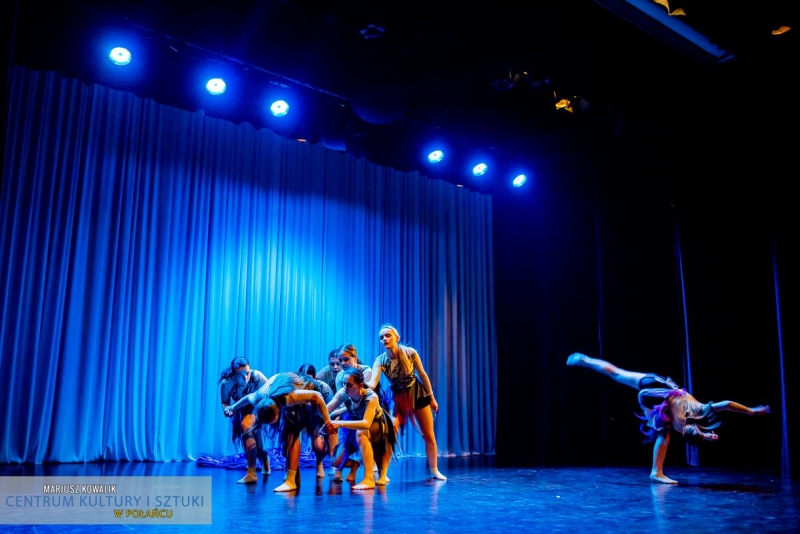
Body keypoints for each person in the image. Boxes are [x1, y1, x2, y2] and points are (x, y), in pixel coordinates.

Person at [566, 352, 771, 484]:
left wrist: (752, 411)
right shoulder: (682, 426)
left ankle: (586, 360)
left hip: (657, 383)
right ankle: (656, 472)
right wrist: (750, 412)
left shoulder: (698, 411)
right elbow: (699, 429)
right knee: (663, 434)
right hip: (651, 395)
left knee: (618, 373)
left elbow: (726, 405)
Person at [225, 372, 333, 492]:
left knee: (294, 435)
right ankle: (293, 476)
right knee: (286, 440)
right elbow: (248, 398)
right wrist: (233, 407)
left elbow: (317, 396)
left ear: (277, 410)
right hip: (295, 390)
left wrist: (327, 421)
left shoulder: (289, 398)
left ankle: (291, 481)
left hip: (317, 394)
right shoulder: (260, 396)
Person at [365, 323, 447, 481]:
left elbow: (422, 375)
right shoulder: (380, 361)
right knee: (391, 433)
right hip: (398, 397)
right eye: (381, 337)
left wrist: (432, 398)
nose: (384, 339)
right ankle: (383, 473)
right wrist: (360, 383)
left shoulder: (410, 353)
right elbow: (373, 383)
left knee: (429, 435)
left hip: (417, 393)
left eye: (387, 335)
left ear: (396, 337)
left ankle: (434, 470)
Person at [325, 367, 396, 489]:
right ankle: (355, 463)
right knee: (335, 462)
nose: (345, 387)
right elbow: (327, 409)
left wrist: (340, 423)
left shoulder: (371, 397)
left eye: (349, 385)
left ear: (360, 385)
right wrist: (325, 420)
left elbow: (366, 424)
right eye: (344, 384)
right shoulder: (344, 392)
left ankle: (369, 479)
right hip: (356, 425)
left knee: (360, 432)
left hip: (376, 427)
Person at [218, 357, 271, 484]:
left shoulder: (257, 376)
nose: (245, 378)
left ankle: (251, 473)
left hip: (258, 407)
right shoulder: (227, 383)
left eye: (247, 373)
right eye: (240, 375)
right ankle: (264, 458)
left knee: (246, 427)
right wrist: (227, 410)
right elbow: (225, 402)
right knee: (256, 443)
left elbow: (270, 393)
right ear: (233, 375)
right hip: (242, 409)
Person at [298, 363, 334, 477]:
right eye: (303, 379)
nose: (306, 382)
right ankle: (295, 468)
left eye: (309, 379)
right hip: (304, 413)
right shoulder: (294, 387)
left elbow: (331, 411)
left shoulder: (324, 388)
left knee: (327, 435)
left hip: (323, 414)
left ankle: (330, 464)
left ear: (315, 378)